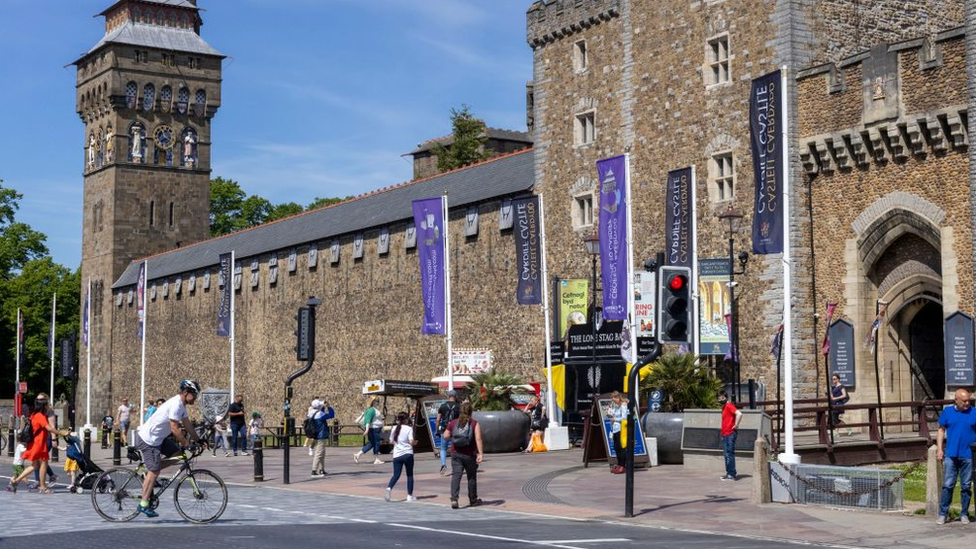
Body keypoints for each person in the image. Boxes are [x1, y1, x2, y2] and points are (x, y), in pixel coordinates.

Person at [135, 380, 205, 518]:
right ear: (185, 393)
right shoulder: (175, 404)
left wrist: (199, 440)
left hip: (158, 439)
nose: (195, 398)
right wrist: (187, 444)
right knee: (155, 470)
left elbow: (187, 425)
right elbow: (174, 428)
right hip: (148, 439)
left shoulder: (182, 406)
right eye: (194, 394)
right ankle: (143, 504)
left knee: (178, 454)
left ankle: (151, 469)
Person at [6, 393, 70, 493]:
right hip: (39, 443)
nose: (48, 406)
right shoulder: (40, 416)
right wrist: (63, 433)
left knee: (35, 465)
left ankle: (16, 481)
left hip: (36, 443)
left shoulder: (34, 415)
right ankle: (43, 487)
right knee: (43, 464)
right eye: (47, 404)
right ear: (43, 406)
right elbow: (50, 428)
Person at [936, 388, 976, 525]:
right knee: (948, 485)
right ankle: (943, 513)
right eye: (964, 401)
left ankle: (964, 513)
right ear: (956, 400)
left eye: (968, 400)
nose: (967, 403)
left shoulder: (974, 412)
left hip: (968, 455)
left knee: (966, 486)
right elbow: (941, 430)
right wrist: (940, 449)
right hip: (951, 454)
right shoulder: (948, 412)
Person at [442, 401, 484, 509]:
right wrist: (480, 453)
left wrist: (454, 437)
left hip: (456, 453)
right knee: (471, 477)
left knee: (456, 476)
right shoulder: (474, 423)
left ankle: (454, 499)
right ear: (471, 412)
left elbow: (445, 435)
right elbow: (478, 439)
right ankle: (473, 500)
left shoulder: (453, 422)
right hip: (469, 454)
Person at [385, 411, 417, 502]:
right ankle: (409, 496)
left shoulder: (394, 428)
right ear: (406, 419)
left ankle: (389, 488)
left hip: (397, 455)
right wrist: (414, 442)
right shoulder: (409, 428)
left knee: (396, 475)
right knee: (409, 474)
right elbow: (411, 441)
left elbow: (391, 441)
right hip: (407, 453)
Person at [353, 396, 384, 465]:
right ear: (372, 401)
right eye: (376, 401)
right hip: (374, 429)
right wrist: (366, 430)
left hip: (375, 428)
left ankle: (358, 455)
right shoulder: (371, 410)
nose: (377, 402)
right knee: (376, 443)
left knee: (372, 444)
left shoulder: (371, 409)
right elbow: (368, 421)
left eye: (377, 401)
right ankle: (376, 459)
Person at [719, 390, 742, 481]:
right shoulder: (724, 407)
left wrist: (736, 425)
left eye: (722, 398)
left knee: (729, 454)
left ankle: (732, 474)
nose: (720, 399)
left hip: (730, 433)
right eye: (719, 398)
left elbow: (739, 414)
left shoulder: (729, 406)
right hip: (725, 433)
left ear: (726, 397)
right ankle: (728, 473)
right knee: (726, 454)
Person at [435, 391, 460, 475]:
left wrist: (437, 431)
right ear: (455, 396)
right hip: (455, 430)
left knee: (443, 448)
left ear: (448, 396)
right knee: (454, 449)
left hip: (444, 430)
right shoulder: (458, 406)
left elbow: (438, 420)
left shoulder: (442, 406)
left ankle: (443, 465)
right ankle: (454, 467)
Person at [309, 399, 335, 477]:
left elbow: (321, 414)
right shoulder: (320, 414)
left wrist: (322, 407)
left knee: (322, 454)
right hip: (321, 436)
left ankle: (322, 470)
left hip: (316, 435)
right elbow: (331, 415)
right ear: (319, 406)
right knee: (319, 454)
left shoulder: (311, 413)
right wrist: (328, 406)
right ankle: (314, 471)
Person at [607, 391, 629, 474]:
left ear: (618, 397)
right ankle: (619, 464)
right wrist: (610, 412)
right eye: (613, 400)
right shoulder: (616, 406)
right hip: (615, 429)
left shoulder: (623, 405)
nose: (614, 401)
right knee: (616, 447)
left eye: (614, 399)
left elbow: (624, 418)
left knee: (621, 448)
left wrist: (615, 419)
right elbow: (613, 415)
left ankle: (623, 465)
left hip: (621, 429)